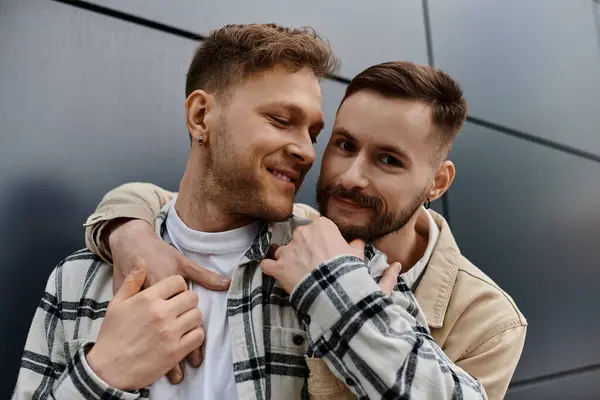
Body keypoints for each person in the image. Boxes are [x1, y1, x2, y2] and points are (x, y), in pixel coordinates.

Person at [12, 23, 486, 400]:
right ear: (201, 117)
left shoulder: (344, 268)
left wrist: (340, 300)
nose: (305, 151)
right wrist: (103, 372)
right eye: (282, 121)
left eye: (314, 134)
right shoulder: (80, 277)